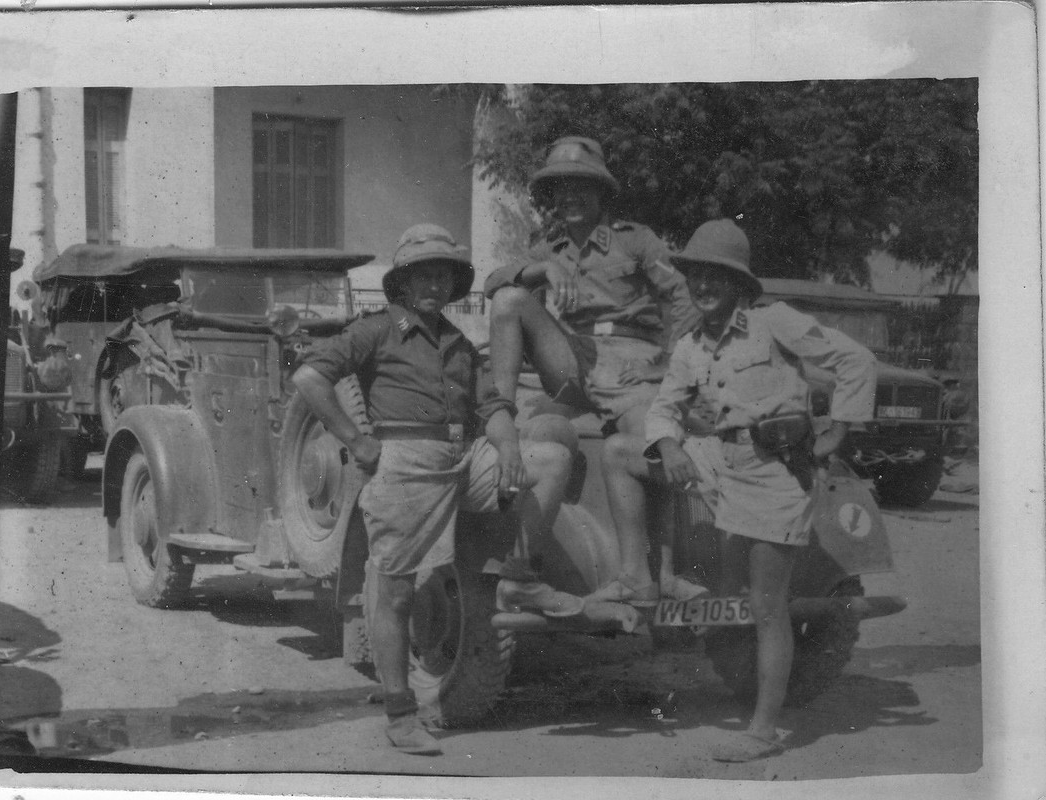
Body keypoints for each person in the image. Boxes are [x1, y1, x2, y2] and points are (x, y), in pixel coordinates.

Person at [595, 219, 877, 761]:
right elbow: (664, 407)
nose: (703, 286)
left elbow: (855, 360)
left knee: (767, 607)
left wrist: (838, 431)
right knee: (619, 452)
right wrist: (669, 446)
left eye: (716, 276)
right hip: (718, 458)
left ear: (739, 283)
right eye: (696, 276)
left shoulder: (774, 323)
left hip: (773, 472)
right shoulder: (690, 344)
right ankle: (638, 578)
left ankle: (762, 731)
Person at [292, 224, 577, 756]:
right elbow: (308, 378)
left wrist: (509, 448)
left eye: (443, 275)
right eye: (422, 274)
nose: (434, 284)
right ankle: (401, 714)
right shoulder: (376, 330)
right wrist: (356, 439)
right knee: (396, 591)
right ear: (401, 282)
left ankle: (518, 579)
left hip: (464, 455)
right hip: (405, 461)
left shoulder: (456, 341)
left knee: (552, 459)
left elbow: (492, 404)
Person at [484, 136, 700, 437]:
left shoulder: (635, 240)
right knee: (509, 298)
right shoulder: (551, 251)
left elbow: (685, 292)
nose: (569, 197)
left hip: (630, 364)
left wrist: (669, 361)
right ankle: (501, 414)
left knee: (648, 437)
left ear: (601, 191)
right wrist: (545, 268)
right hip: (571, 363)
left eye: (580, 187)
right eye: (561, 188)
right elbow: (493, 283)